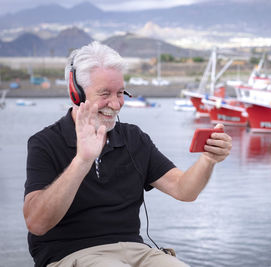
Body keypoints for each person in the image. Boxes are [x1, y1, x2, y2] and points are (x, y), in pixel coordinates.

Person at [23, 41, 232, 267]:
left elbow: (184, 190)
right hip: (71, 255)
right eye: (105, 94)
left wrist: (208, 159)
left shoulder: (134, 138)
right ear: (76, 94)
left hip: (135, 251)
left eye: (120, 93)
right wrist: (82, 160)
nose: (115, 103)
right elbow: (37, 223)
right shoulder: (45, 143)